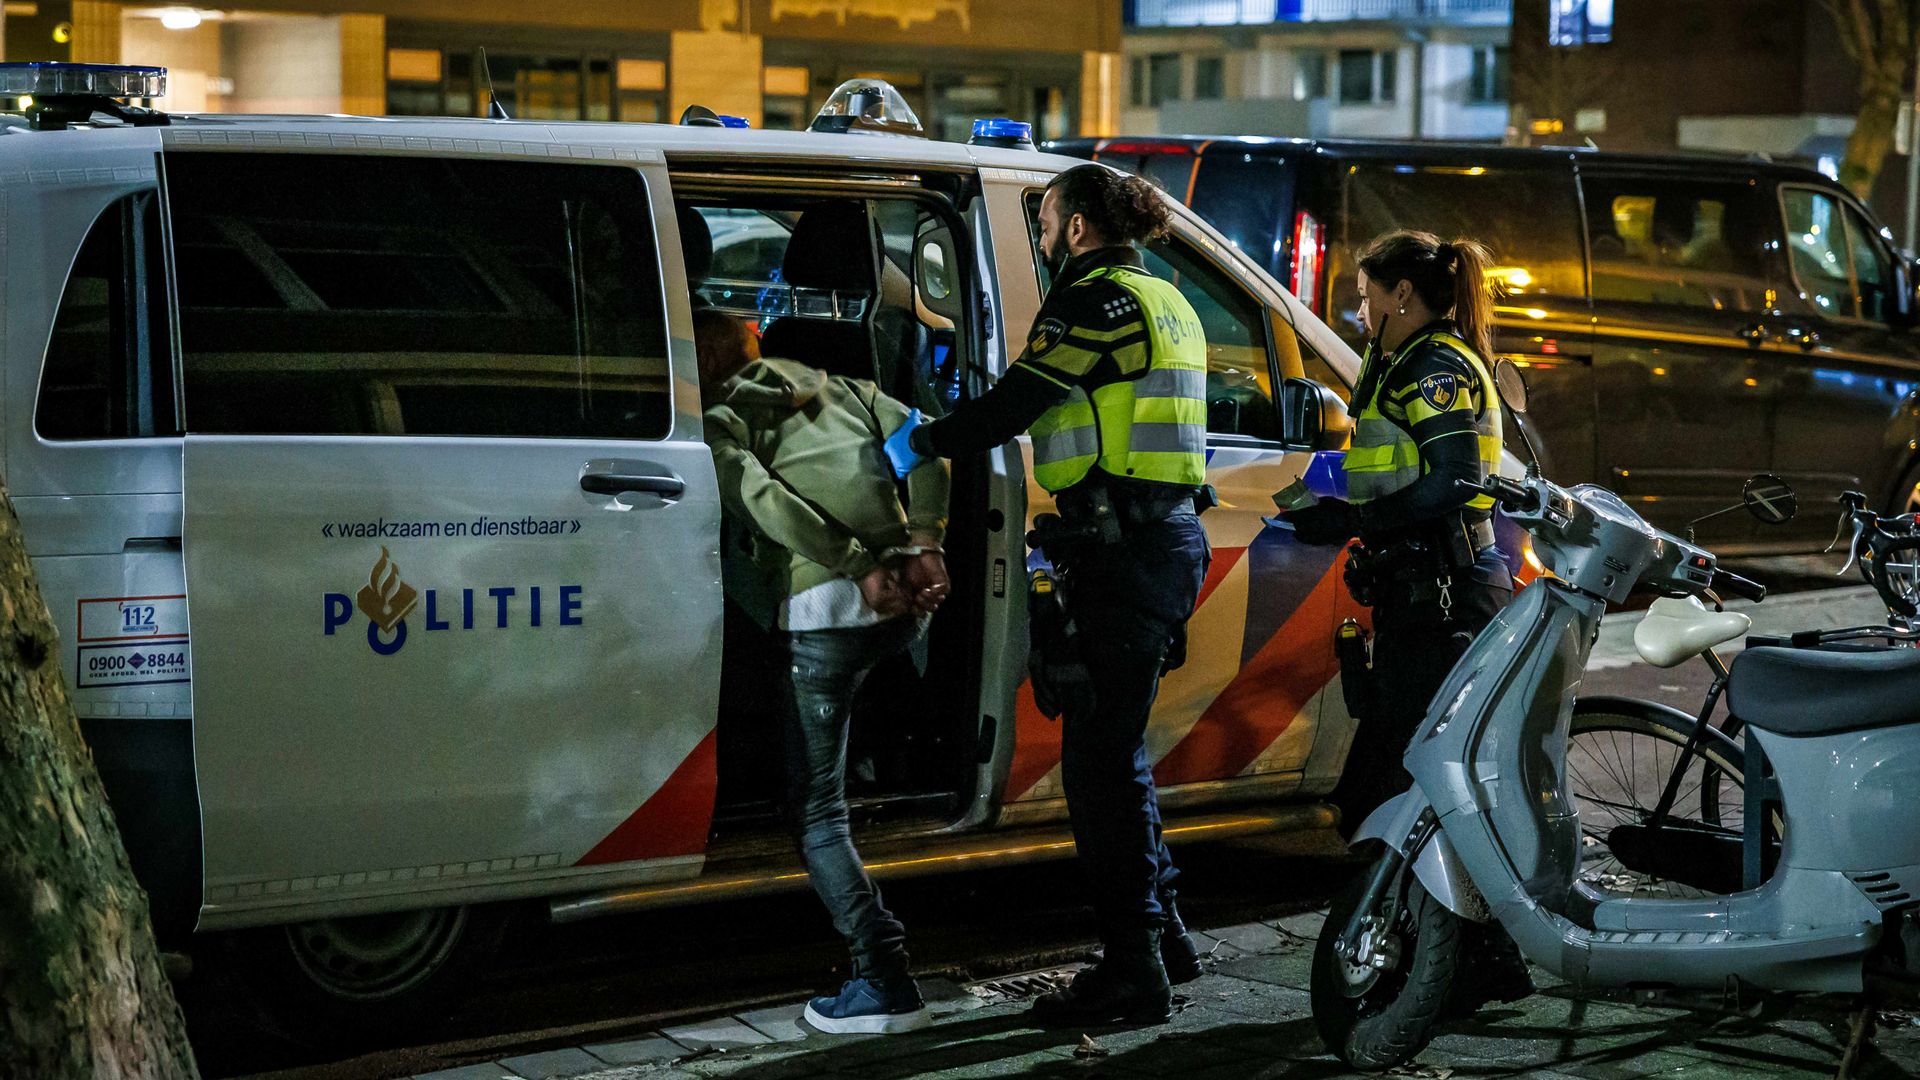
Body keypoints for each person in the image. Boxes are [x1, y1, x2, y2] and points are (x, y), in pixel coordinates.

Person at [883, 164, 1210, 1027]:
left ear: (1073, 229)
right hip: (1162, 540)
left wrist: (917, 441)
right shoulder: (1166, 297)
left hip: (1121, 550)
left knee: (1099, 772)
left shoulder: (1091, 301)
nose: (1038, 236)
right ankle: (1166, 937)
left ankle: (1136, 971)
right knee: (1119, 755)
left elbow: (1014, 406)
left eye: (1046, 220)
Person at [698, 308, 952, 1034]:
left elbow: (759, 499)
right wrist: (925, 541)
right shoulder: (854, 391)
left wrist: (855, 564)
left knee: (816, 811)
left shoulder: (721, 419)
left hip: (832, 608)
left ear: (710, 361)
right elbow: (930, 450)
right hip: (904, 604)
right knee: (863, 691)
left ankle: (884, 979)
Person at [1278, 230, 1512, 817]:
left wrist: (1354, 518)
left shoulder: (1433, 367)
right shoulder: (1406, 362)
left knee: (1398, 789)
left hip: (1447, 594)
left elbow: (1456, 478)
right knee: (1390, 783)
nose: (1359, 313)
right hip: (1423, 590)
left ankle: (1429, 902)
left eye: (1365, 297)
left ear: (1402, 293)